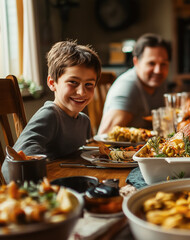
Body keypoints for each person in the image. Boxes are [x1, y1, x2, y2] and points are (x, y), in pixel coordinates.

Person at [2, 40, 101, 182]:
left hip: (72, 182)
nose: (81, 92)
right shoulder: (50, 115)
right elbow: (16, 161)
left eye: (89, 84)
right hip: (47, 190)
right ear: (52, 83)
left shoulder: (84, 121)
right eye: (73, 82)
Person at [98, 33, 171, 134]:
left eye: (163, 64)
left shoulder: (158, 82)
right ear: (136, 62)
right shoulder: (127, 87)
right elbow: (105, 135)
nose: (158, 70)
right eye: (151, 63)